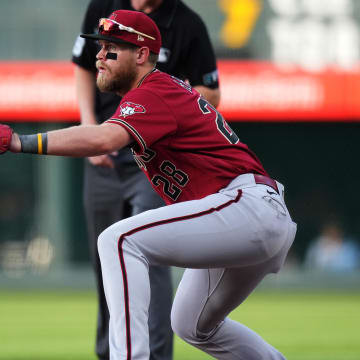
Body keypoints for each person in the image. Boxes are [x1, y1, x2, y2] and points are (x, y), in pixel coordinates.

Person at [1, 10, 297, 359]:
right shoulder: (150, 95)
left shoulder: (154, 90)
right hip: (250, 215)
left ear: (141, 54)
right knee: (191, 324)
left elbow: (103, 138)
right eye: (100, 47)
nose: (100, 55)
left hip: (246, 206)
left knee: (118, 239)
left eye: (112, 47)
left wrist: (20, 141)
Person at [71, 1, 220, 359]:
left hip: (151, 158)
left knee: (148, 259)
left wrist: (160, 113)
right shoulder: (103, 7)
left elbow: (211, 93)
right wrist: (90, 126)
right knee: (107, 260)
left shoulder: (186, 23)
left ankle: (155, 355)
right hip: (103, 153)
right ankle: (111, 354)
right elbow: (81, 67)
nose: (102, 54)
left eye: (112, 48)